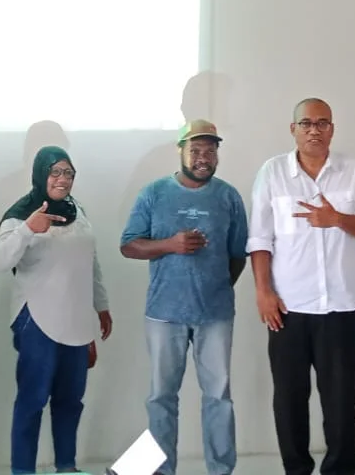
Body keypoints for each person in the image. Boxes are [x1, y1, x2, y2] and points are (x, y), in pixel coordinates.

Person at [248, 98, 355, 475]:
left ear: (332, 129)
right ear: (292, 129)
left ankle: (339, 470)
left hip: (341, 307)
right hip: (287, 308)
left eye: (322, 123)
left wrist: (337, 218)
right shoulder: (272, 173)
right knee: (289, 399)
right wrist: (263, 292)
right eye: (306, 123)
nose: (314, 130)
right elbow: (259, 239)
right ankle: (296, 469)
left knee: (340, 401)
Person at [119, 120, 247, 475]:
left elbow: (238, 254)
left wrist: (215, 286)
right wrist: (169, 245)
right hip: (164, 313)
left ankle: (221, 470)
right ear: (180, 151)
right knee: (161, 397)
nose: (203, 157)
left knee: (219, 397)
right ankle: (162, 471)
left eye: (210, 151)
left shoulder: (228, 197)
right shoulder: (154, 193)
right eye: (196, 150)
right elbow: (128, 245)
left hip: (216, 315)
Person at [0, 146, 112, 475]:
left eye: (68, 173)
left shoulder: (78, 211)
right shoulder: (21, 214)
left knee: (70, 401)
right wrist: (28, 229)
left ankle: (66, 468)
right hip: (36, 320)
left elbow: (90, 262)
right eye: (55, 172)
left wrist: (101, 306)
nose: (62, 179)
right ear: (40, 174)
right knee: (32, 401)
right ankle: (23, 471)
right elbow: (1, 260)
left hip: (76, 321)